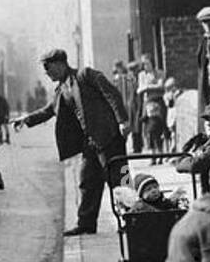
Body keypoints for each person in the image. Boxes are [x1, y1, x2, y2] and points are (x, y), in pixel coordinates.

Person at [14, 48, 131, 237]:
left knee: (120, 181)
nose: (47, 73)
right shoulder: (61, 89)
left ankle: (131, 220)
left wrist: (122, 120)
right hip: (90, 142)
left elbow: (111, 93)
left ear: (60, 64)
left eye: (49, 68)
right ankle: (86, 224)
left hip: (108, 137)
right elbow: (49, 110)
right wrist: (26, 120)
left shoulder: (86, 75)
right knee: (87, 181)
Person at [113, 173, 187, 213]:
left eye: (155, 187)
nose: (154, 191)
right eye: (148, 189)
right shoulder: (139, 206)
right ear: (141, 195)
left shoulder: (164, 202)